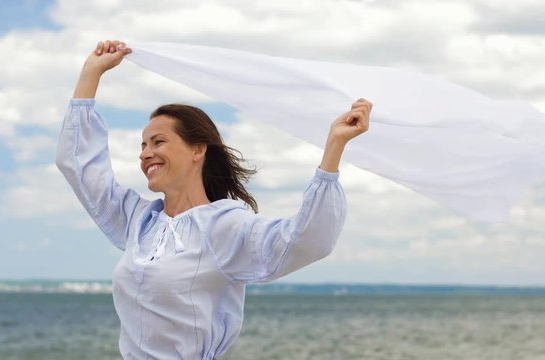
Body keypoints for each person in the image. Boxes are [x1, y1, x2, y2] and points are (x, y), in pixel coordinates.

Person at [56, 40, 371, 359]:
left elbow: (305, 240)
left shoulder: (224, 226)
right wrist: (90, 75)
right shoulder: (140, 222)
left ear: (197, 149)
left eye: (158, 141)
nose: (145, 153)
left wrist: (334, 148)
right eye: (142, 145)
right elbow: (82, 167)